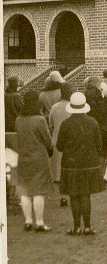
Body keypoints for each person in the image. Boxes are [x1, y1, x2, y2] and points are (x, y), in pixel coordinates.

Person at [56, 92, 105, 235]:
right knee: (85, 195)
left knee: (74, 195)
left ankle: (76, 227)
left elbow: (59, 146)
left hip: (70, 165)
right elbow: (99, 145)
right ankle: (88, 227)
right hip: (89, 164)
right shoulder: (93, 122)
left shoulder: (66, 124)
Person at [10, 91, 54, 232]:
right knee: (38, 191)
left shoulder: (18, 119)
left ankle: (28, 221)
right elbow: (47, 140)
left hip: (22, 157)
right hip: (39, 157)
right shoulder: (39, 120)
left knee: (24, 190)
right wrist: (50, 148)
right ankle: (40, 222)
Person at [48, 82, 75, 207]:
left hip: (57, 142)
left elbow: (51, 125)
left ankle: (62, 196)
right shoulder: (75, 107)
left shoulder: (54, 107)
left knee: (58, 172)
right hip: (73, 143)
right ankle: (72, 194)